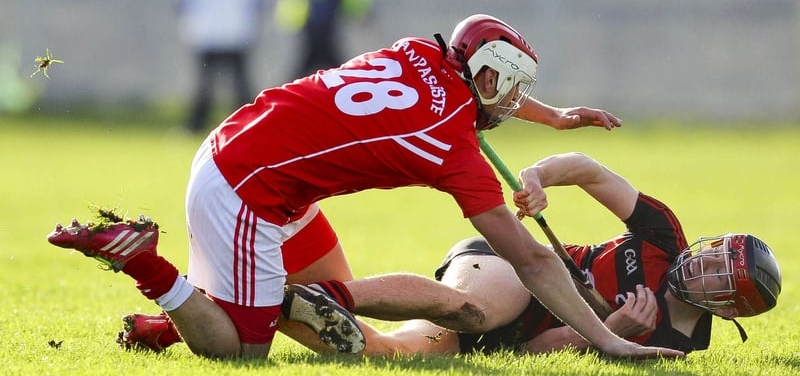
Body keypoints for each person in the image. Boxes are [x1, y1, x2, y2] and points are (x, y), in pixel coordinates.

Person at [47, 13, 682, 361]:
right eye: (511, 90)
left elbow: (476, 93)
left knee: (334, 316)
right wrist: (608, 341)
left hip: (250, 151)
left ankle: (173, 324)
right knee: (241, 351)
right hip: (247, 187)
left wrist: (554, 116)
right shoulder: (453, 148)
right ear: (487, 78)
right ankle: (146, 263)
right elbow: (533, 260)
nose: (516, 103)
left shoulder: (421, 51)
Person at [112, 152, 781, 357]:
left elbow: (540, 349)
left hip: (517, 332)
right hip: (511, 270)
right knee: (470, 307)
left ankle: (176, 321)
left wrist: (606, 334)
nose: (701, 263)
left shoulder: (673, 343)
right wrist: (540, 178)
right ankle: (321, 297)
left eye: (717, 275)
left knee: (385, 352)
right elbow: (591, 170)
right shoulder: (663, 234)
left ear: (726, 307)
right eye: (713, 252)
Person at [175, 0, 268, 133]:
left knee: (241, 84)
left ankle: (248, 125)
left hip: (237, 30)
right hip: (205, 31)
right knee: (204, 84)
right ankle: (196, 125)